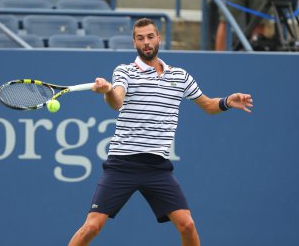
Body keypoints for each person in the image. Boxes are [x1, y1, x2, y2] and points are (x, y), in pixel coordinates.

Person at [68, 18, 253, 246]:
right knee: (92, 227)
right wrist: (107, 90)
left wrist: (226, 101)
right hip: (122, 165)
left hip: (157, 167)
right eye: (140, 38)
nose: (146, 42)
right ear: (134, 42)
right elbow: (117, 101)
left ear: (159, 38)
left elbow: (208, 105)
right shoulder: (125, 71)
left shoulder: (180, 76)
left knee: (187, 225)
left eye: (150, 37)